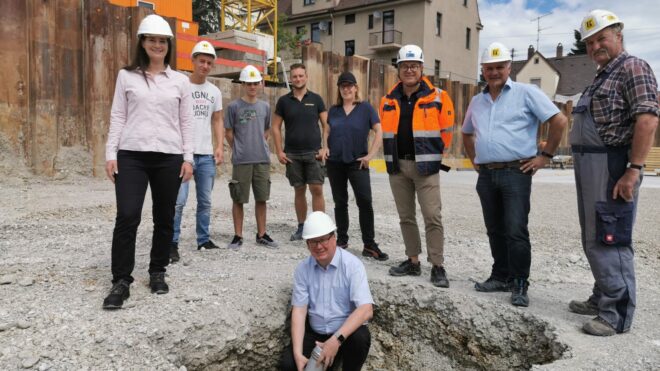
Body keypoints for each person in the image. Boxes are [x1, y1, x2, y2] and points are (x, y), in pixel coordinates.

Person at [567, 10, 658, 336]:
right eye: (590, 42)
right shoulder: (603, 75)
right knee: (593, 236)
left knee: (610, 237)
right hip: (590, 165)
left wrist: (633, 170)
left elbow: (647, 120)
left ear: (619, 35)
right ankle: (602, 295)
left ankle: (615, 314)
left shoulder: (633, 67)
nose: (595, 46)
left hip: (612, 165)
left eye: (601, 38)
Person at [462, 42, 568, 307]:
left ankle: (520, 281)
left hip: (515, 173)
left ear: (509, 67)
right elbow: (466, 133)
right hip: (486, 175)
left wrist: (545, 156)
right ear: (483, 70)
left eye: (500, 67)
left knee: (515, 229)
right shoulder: (477, 101)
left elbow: (559, 121)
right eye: (489, 68)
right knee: (494, 229)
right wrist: (476, 161)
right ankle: (500, 275)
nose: (495, 72)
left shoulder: (526, 93)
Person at [103, 15, 193, 309]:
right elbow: (118, 115)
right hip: (132, 155)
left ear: (169, 45)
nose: (157, 45)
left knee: (164, 217)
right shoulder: (126, 76)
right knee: (127, 215)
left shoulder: (181, 81)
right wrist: (110, 154)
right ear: (142, 42)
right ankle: (121, 279)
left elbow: (186, 122)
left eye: (162, 41)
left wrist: (188, 158)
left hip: (169, 156)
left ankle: (157, 271)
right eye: (151, 39)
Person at [379, 44, 454, 288]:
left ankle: (437, 265)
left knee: (432, 216)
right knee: (406, 217)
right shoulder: (387, 100)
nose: (409, 70)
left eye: (414, 66)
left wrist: (431, 155)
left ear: (422, 68)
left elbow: (447, 133)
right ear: (398, 69)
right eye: (404, 66)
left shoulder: (439, 97)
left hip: (426, 168)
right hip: (397, 166)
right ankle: (413, 261)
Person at [280, 211, 373, 371]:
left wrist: (335, 340)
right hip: (316, 334)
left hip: (344, 334)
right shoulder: (303, 269)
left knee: (360, 338)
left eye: (323, 239)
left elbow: (366, 310)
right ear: (307, 244)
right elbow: (299, 312)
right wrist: (297, 353)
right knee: (289, 365)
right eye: (313, 242)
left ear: (334, 237)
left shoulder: (352, 265)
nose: (319, 246)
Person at [170, 40, 224, 262]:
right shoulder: (182, 85)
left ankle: (203, 239)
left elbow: (218, 120)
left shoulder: (214, 92)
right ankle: (172, 242)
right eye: (201, 61)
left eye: (209, 63)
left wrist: (219, 146)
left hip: (206, 154)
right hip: (183, 154)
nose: (205, 66)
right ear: (192, 61)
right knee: (178, 201)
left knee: (205, 201)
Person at [325, 71, 388, 261]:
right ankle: (342, 241)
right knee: (340, 202)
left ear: (355, 88)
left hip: (357, 163)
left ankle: (369, 244)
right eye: (342, 86)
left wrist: (370, 155)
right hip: (335, 162)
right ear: (339, 89)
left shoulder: (366, 108)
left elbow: (378, 131)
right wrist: (325, 147)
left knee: (365, 202)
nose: (346, 89)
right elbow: (327, 130)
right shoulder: (334, 110)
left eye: (349, 85)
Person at [272, 64, 329, 241]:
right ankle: (302, 227)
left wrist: (325, 147)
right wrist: (279, 151)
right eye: (294, 76)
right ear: (290, 78)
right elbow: (275, 127)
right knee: (299, 190)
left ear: (306, 77)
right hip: (292, 155)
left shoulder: (317, 99)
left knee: (317, 189)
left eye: (301, 76)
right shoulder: (283, 101)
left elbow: (327, 125)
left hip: (314, 153)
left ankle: (320, 228)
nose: (298, 79)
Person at [224, 65, 278, 249]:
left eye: (255, 83)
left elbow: (266, 131)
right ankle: (238, 236)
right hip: (242, 160)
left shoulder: (265, 107)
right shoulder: (233, 107)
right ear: (243, 84)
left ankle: (261, 234)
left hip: (261, 159)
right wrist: (238, 148)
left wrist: (258, 145)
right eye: (249, 83)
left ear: (260, 84)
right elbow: (229, 132)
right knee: (238, 199)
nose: (252, 87)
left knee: (261, 198)